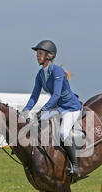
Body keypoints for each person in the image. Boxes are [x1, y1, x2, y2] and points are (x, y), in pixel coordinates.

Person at [21, 40, 82, 181]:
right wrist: (26, 110)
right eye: (37, 54)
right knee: (37, 125)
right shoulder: (40, 74)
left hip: (70, 108)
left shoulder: (58, 71)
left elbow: (56, 95)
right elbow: (34, 96)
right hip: (58, 108)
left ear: (49, 55)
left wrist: (43, 110)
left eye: (40, 53)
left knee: (62, 132)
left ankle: (75, 166)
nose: (37, 56)